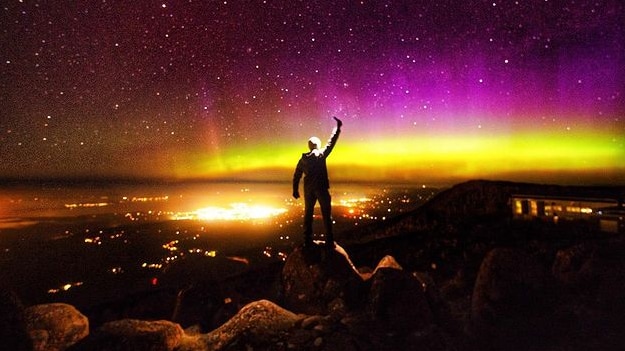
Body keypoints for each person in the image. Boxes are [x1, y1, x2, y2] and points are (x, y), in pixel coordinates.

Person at [292, 116, 342, 249]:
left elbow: (297, 175)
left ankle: (307, 240)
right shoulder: (321, 154)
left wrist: (295, 190)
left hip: (308, 190)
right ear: (318, 145)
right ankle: (329, 241)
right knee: (326, 214)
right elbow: (331, 142)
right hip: (321, 188)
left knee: (308, 215)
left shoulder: (303, 159)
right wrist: (337, 128)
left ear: (309, 146)